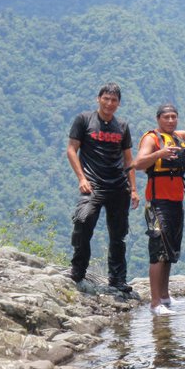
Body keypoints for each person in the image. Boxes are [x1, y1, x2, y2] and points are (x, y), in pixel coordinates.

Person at [132, 103, 185, 316]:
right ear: (158, 119)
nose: (170, 120)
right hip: (157, 202)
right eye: (166, 117)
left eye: (174, 117)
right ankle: (155, 303)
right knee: (158, 251)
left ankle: (165, 297)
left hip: (176, 201)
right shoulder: (152, 138)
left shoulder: (176, 136)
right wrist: (160, 154)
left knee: (169, 250)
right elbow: (138, 163)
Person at [67, 82, 139, 292]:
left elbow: (128, 160)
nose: (109, 103)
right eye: (105, 99)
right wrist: (82, 178)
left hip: (119, 186)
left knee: (118, 234)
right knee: (83, 221)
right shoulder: (84, 120)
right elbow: (71, 150)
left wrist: (133, 189)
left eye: (114, 100)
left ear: (118, 103)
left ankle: (117, 279)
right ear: (98, 99)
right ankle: (78, 270)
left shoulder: (122, 126)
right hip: (93, 185)